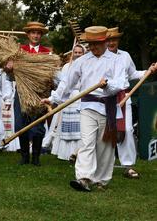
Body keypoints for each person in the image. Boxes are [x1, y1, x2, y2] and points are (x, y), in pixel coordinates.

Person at [42, 26, 125, 191]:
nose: (92, 47)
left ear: (105, 42)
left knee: (105, 147)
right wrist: (53, 99)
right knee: (87, 143)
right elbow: (67, 82)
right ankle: (83, 179)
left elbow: (122, 82)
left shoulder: (117, 60)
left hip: (108, 107)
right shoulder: (82, 61)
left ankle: (101, 180)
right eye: (90, 44)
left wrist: (108, 85)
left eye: (96, 44)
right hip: (87, 107)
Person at [107, 27, 157, 178]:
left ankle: (128, 166)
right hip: (105, 98)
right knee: (104, 131)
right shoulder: (100, 57)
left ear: (118, 40)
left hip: (124, 97)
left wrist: (148, 71)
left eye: (114, 39)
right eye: (109, 39)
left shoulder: (125, 56)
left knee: (127, 130)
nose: (111, 42)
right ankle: (98, 163)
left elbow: (133, 74)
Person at [6, 21, 51, 166]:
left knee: (38, 125)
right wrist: (9, 68)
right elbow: (9, 76)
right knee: (21, 124)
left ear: (41, 35)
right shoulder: (19, 51)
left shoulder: (48, 53)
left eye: (38, 33)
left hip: (40, 94)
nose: (36, 35)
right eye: (33, 32)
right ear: (28, 34)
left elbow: (52, 75)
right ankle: (24, 155)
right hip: (21, 93)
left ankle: (36, 157)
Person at [51, 44, 86, 160]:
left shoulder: (87, 65)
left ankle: (78, 152)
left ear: (83, 53)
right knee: (68, 126)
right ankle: (66, 154)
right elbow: (63, 83)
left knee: (79, 126)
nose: (77, 54)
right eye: (75, 52)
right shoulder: (67, 66)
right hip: (68, 97)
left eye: (79, 52)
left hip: (81, 96)